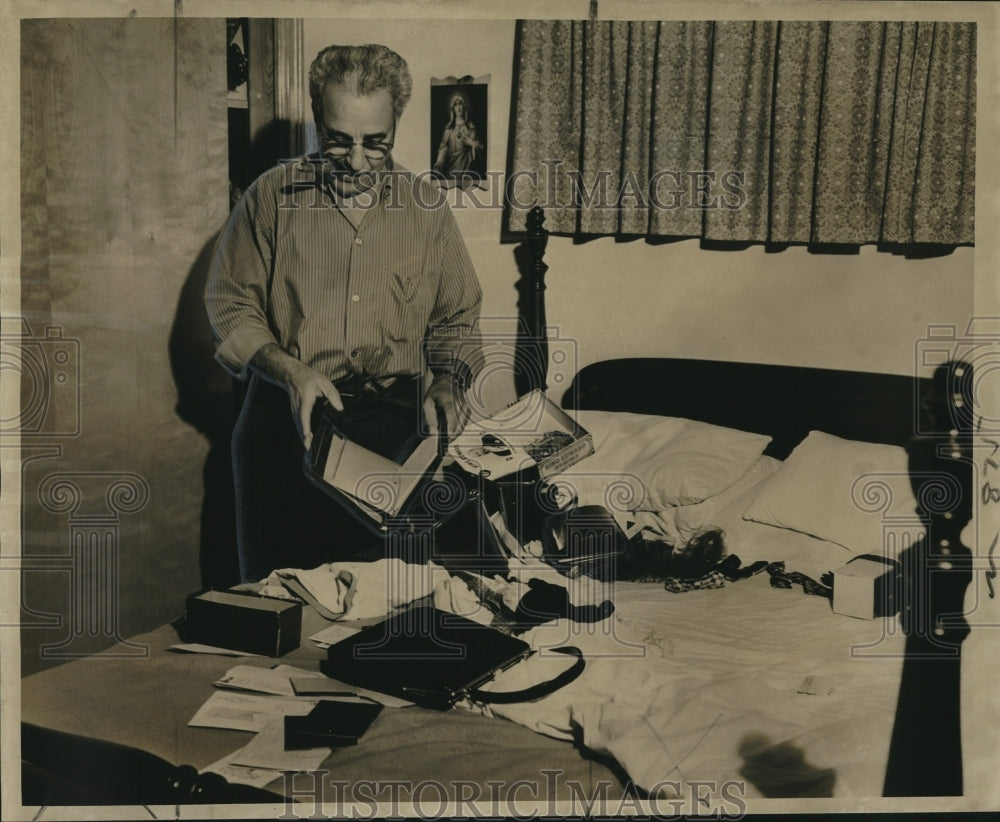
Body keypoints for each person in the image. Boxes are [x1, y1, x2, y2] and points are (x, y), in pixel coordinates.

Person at [205, 44, 483, 583]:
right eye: (338, 140)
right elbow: (229, 303)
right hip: (287, 425)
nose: (357, 162)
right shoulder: (270, 197)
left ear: (396, 125)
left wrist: (448, 380)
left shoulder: (426, 210)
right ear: (316, 119)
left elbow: (456, 315)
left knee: (388, 606)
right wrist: (290, 370)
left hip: (393, 432)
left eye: (376, 144)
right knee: (284, 605)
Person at [432, 90, 483, 179]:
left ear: (464, 107)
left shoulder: (470, 128)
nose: (458, 107)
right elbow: (443, 149)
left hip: (467, 171)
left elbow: (480, 148)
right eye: (455, 104)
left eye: (460, 104)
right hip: (451, 171)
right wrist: (439, 162)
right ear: (453, 108)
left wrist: (472, 143)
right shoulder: (448, 130)